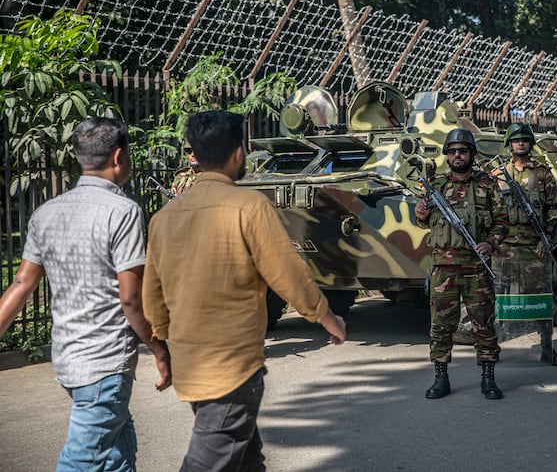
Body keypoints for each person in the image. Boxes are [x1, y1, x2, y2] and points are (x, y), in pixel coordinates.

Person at [142, 111, 346, 471]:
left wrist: (161, 346)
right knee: (209, 461)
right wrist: (328, 318)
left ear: (196, 153)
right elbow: (288, 274)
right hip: (232, 369)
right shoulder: (249, 207)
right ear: (239, 154)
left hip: (190, 364)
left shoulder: (164, 218)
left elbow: (152, 297)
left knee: (247, 459)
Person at [0, 117, 171, 471]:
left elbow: (21, 284)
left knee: (118, 452)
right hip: (104, 364)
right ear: (119, 157)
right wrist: (159, 348)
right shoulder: (123, 211)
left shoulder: (47, 213)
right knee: (81, 462)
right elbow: (130, 299)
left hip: (68, 359)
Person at [414, 128, 508, 400]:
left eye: (463, 150)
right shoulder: (436, 186)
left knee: (484, 324)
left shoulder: (487, 185)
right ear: (447, 155)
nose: (457, 155)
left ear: (472, 154)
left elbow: (503, 222)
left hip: (476, 268)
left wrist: (490, 243)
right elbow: (423, 222)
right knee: (441, 325)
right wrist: (420, 214)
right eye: (453, 151)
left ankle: (488, 378)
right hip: (443, 268)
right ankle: (440, 378)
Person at [493, 123, 557, 366]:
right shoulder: (498, 174)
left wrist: (547, 239)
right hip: (504, 247)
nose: (521, 143)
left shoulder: (542, 173)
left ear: (531, 143)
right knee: (498, 299)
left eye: (524, 139)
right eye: (516, 140)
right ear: (509, 144)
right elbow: (489, 209)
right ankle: (492, 348)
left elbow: (553, 209)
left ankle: (547, 347)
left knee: (542, 300)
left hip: (534, 247)